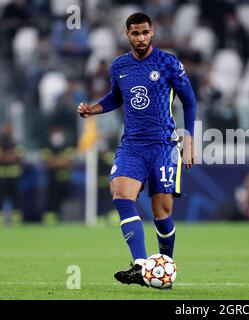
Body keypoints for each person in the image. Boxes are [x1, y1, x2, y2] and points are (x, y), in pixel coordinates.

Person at [77, 13, 196, 288]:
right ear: (127, 34)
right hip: (132, 144)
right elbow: (117, 97)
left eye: (145, 33)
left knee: (162, 214)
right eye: (135, 33)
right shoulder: (119, 66)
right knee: (120, 193)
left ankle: (165, 268)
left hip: (164, 145)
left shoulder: (168, 62)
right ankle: (142, 266)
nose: (140, 38)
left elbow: (189, 102)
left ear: (152, 32)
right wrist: (94, 109)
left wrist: (189, 141)